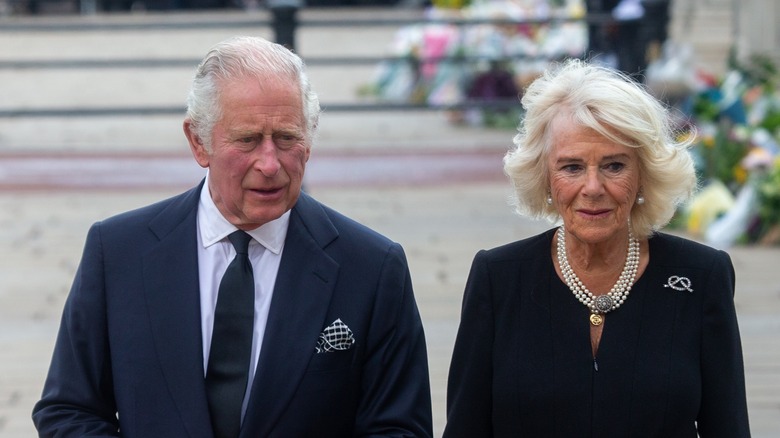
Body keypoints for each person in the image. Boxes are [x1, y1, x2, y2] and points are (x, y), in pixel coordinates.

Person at [32, 35, 433, 437]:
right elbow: (69, 411)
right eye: (247, 140)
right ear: (198, 142)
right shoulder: (117, 251)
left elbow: (399, 428)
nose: (270, 163)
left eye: (287, 138)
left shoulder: (372, 267)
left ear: (309, 143)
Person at [443, 59, 751, 437]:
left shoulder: (700, 277)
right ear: (544, 178)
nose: (592, 187)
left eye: (614, 166)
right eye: (571, 167)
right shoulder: (498, 278)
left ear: (644, 175)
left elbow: (729, 427)